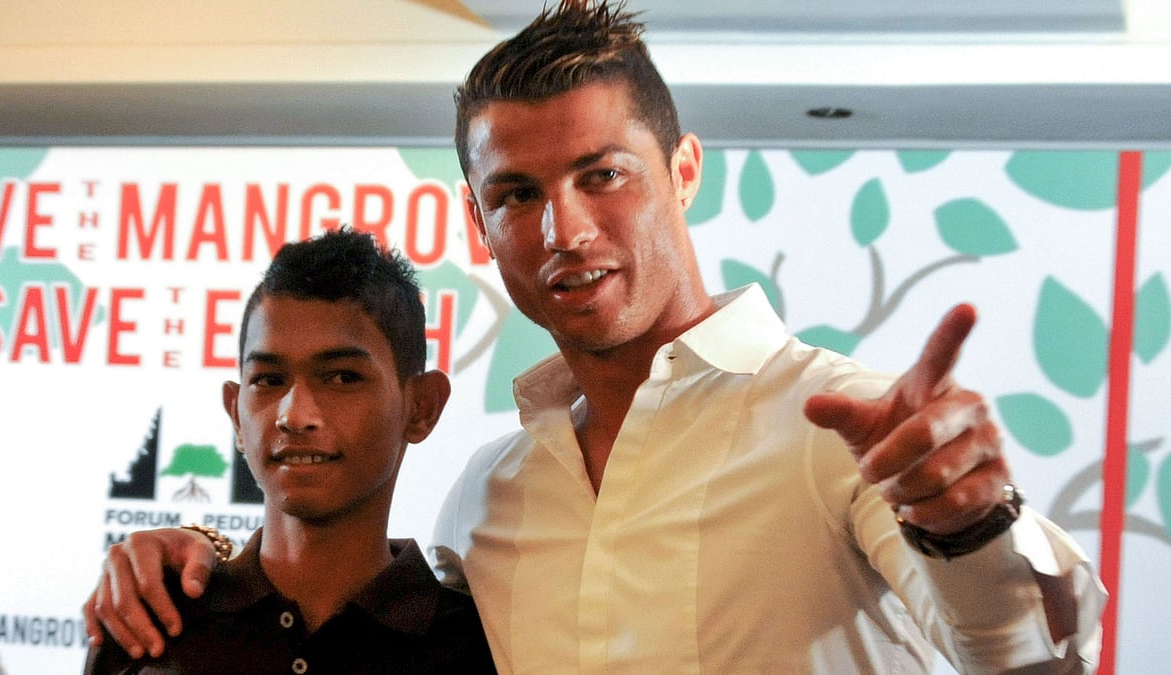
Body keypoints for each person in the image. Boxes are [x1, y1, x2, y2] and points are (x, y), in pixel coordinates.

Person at [84, 2, 1106, 673]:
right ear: (476, 223)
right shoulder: (490, 487)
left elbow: (1025, 653)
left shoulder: (841, 424)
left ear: (685, 169)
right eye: (516, 193)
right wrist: (198, 555)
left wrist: (969, 521)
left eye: (601, 174)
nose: (562, 230)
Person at [83, 229, 495, 674]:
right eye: (268, 380)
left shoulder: (483, 643)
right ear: (236, 414)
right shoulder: (149, 622)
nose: (294, 416)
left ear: (422, 407)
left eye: (341, 377)